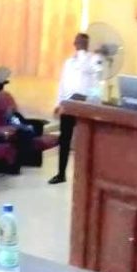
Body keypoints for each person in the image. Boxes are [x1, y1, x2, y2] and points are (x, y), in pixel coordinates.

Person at [49, 32, 102, 185]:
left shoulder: (94, 60)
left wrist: (92, 100)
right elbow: (62, 84)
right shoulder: (68, 62)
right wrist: (58, 103)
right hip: (68, 104)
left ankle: (86, 177)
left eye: (83, 42)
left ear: (87, 44)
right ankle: (61, 173)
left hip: (86, 105)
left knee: (85, 142)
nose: (79, 44)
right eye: (78, 41)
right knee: (64, 139)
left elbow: (96, 81)